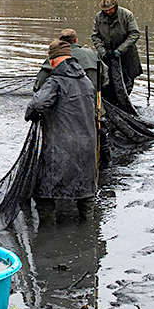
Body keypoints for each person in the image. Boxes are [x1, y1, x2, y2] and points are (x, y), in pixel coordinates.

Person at [25, 39, 98, 222]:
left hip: (61, 146)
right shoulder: (86, 81)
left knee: (44, 194)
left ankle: (46, 239)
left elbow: (36, 105)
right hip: (87, 145)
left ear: (54, 60)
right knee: (85, 194)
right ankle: (87, 231)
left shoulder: (55, 81)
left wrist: (32, 115)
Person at [91, 0, 142, 93]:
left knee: (127, 79)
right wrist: (102, 51)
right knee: (105, 78)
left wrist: (121, 49)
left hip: (126, 53)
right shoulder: (99, 17)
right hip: (107, 53)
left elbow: (135, 34)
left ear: (115, 6)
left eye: (110, 9)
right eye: (105, 10)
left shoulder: (126, 15)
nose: (108, 12)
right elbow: (95, 36)